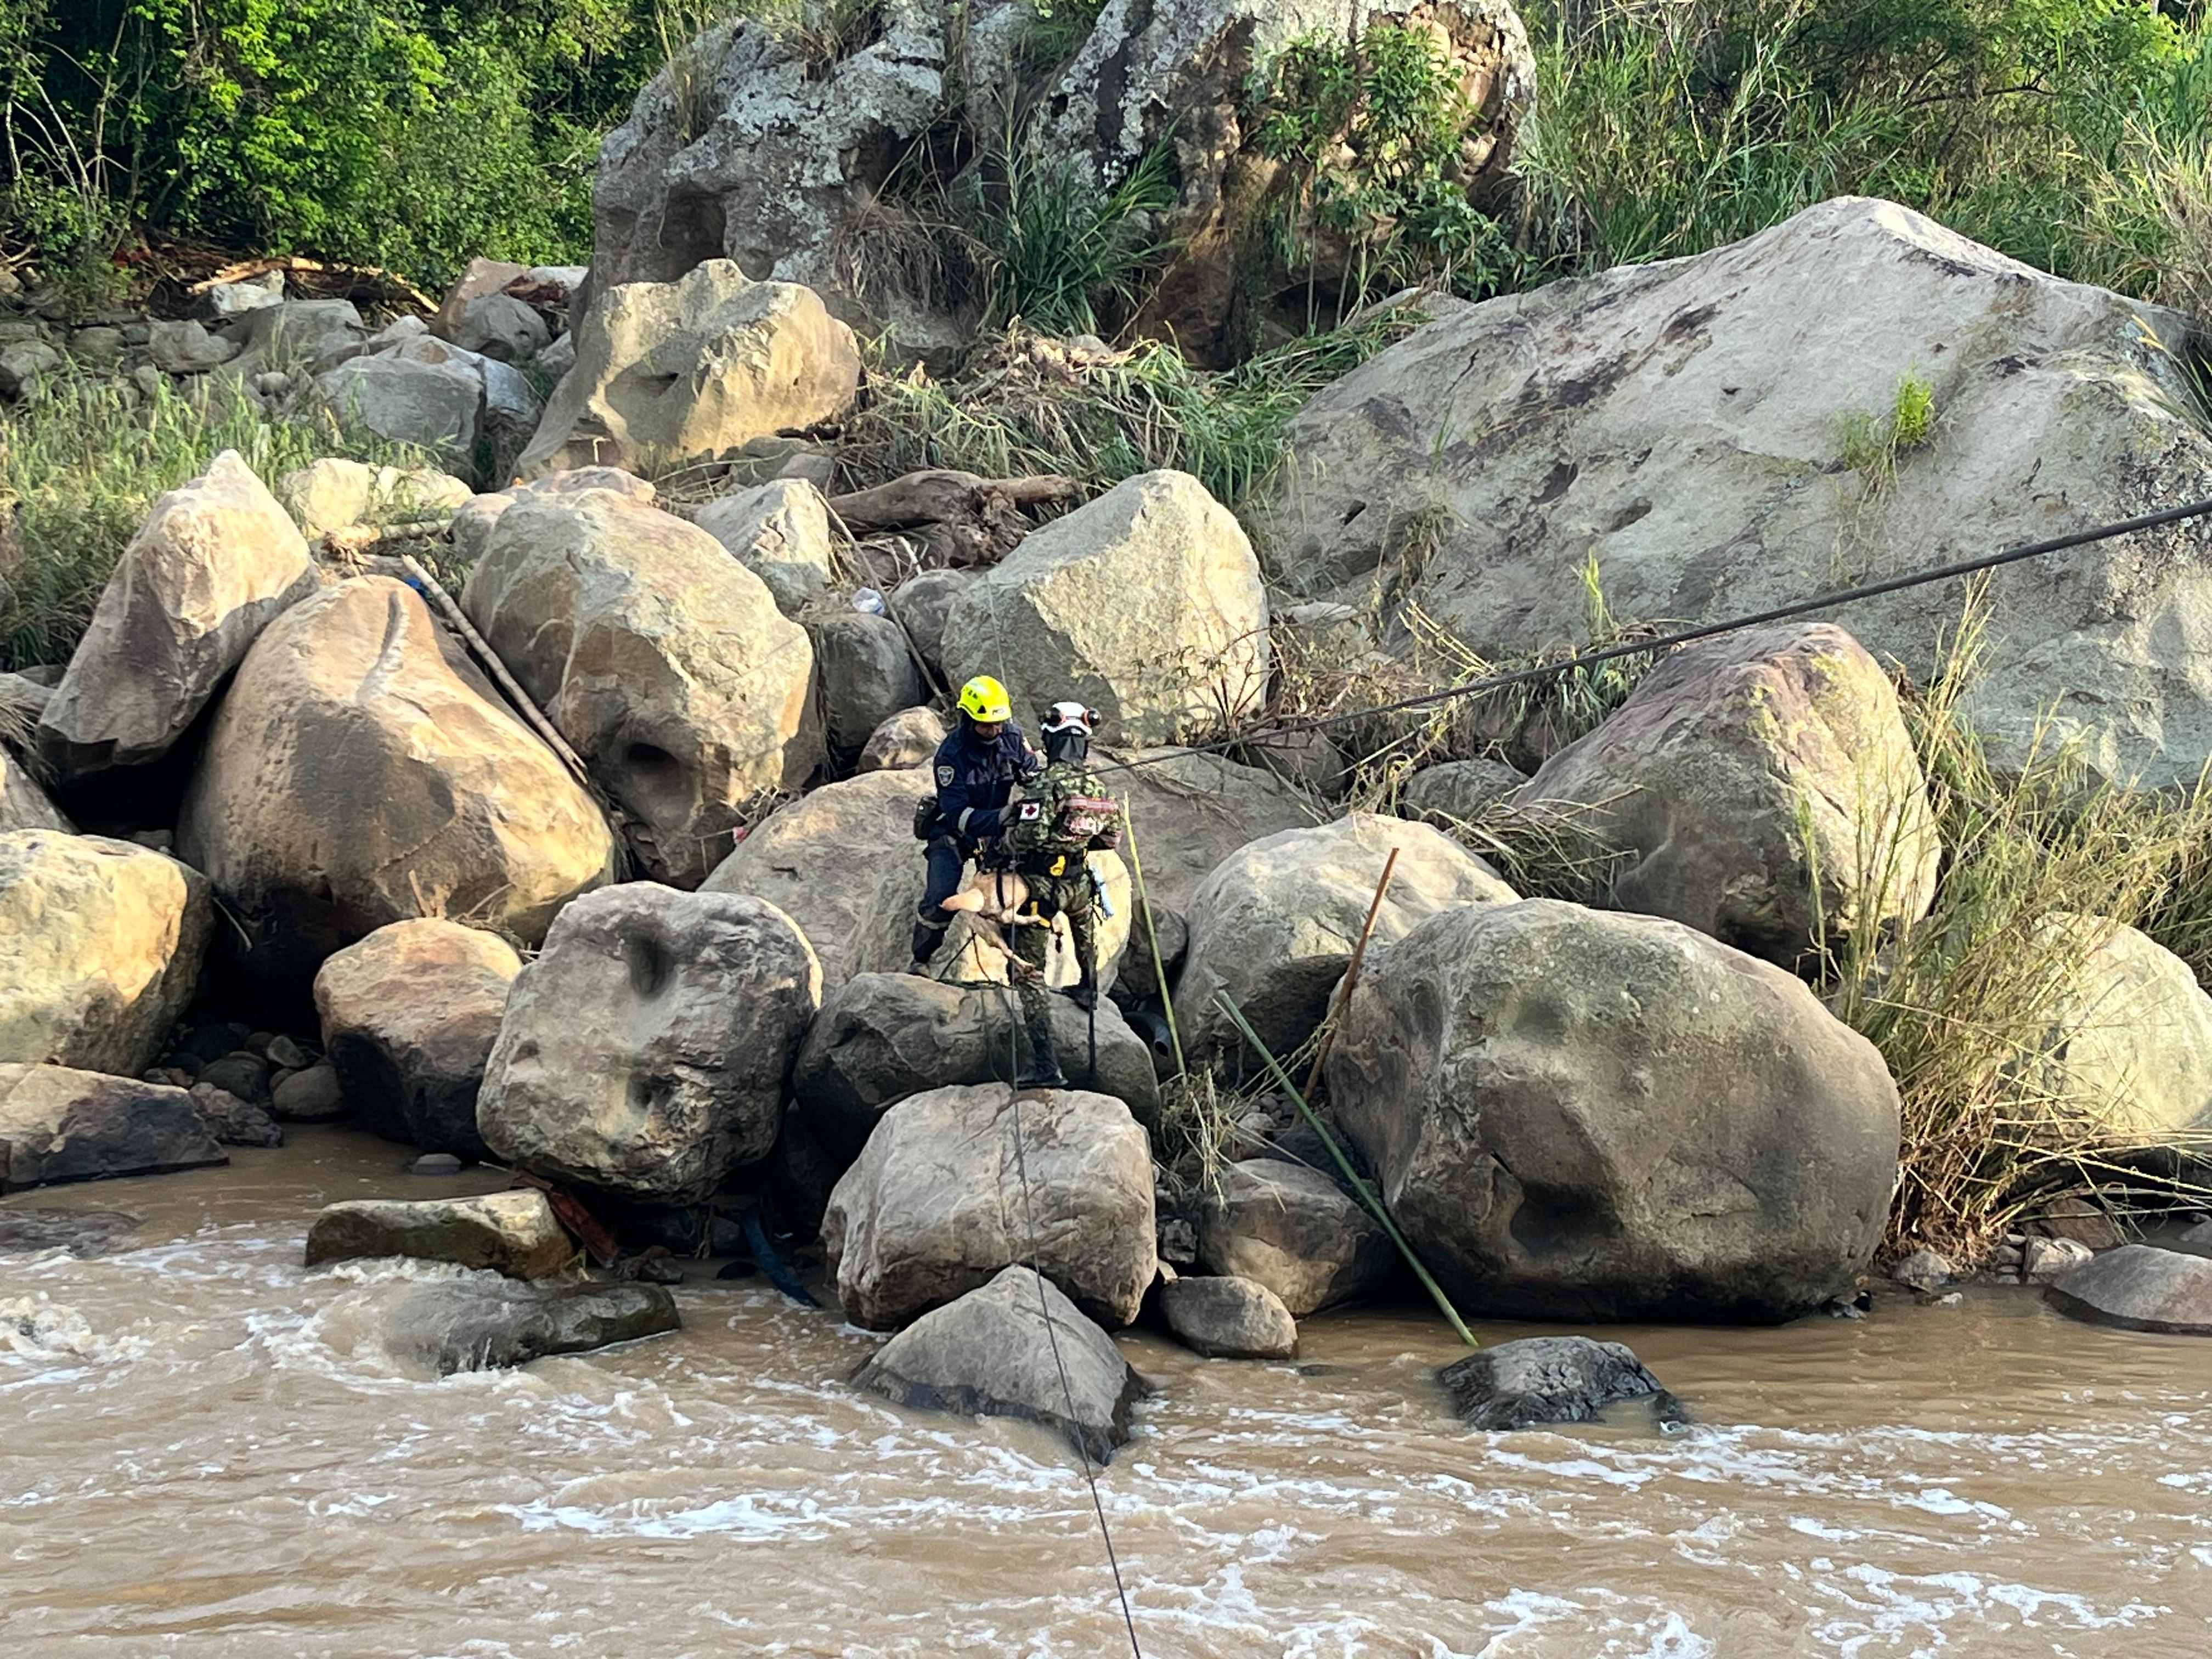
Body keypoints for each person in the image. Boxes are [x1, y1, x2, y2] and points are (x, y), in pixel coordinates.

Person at [1000, 701, 1124, 1086]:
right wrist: (1074, 839)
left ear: (1051, 741)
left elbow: (1026, 838)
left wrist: (1005, 832)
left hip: (1038, 888)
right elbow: (1111, 839)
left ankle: (1045, 1064)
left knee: (1027, 971)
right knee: (1085, 932)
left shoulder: (1043, 785)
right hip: (1078, 883)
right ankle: (1089, 986)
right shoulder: (1100, 787)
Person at [907, 675, 1041, 974]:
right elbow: (957, 813)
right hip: (955, 834)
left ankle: (1020, 966)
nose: (994, 731)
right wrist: (1001, 817)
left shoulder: (1013, 737)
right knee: (940, 897)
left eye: (999, 724)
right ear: (967, 719)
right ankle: (921, 959)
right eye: (985, 725)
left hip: (998, 833)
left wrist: (1037, 787)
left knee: (1019, 893)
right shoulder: (950, 756)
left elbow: (1032, 774)